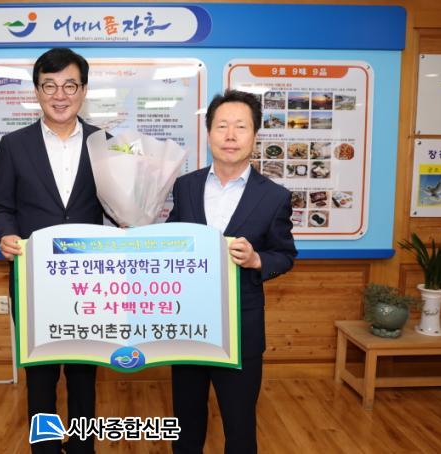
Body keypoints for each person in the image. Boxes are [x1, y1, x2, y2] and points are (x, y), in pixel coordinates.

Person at [167, 89, 297, 454]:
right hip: (188, 325)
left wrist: (257, 260)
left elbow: (285, 255)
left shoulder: (274, 196)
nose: (230, 135)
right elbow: (175, 238)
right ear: (208, 132)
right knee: (185, 425)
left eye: (241, 126)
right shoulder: (186, 186)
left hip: (242, 329)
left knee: (240, 427)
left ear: (255, 135)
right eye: (221, 125)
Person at [0, 48, 104, 454]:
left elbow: (117, 206)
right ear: (37, 91)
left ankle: (82, 448)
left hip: (89, 284)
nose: (60, 95)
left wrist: (131, 222)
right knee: (40, 378)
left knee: (83, 375)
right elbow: (2, 207)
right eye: (49, 85)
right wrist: (5, 234)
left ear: (83, 90)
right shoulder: (14, 145)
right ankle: (45, 448)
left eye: (69, 85)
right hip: (34, 280)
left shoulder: (104, 143)